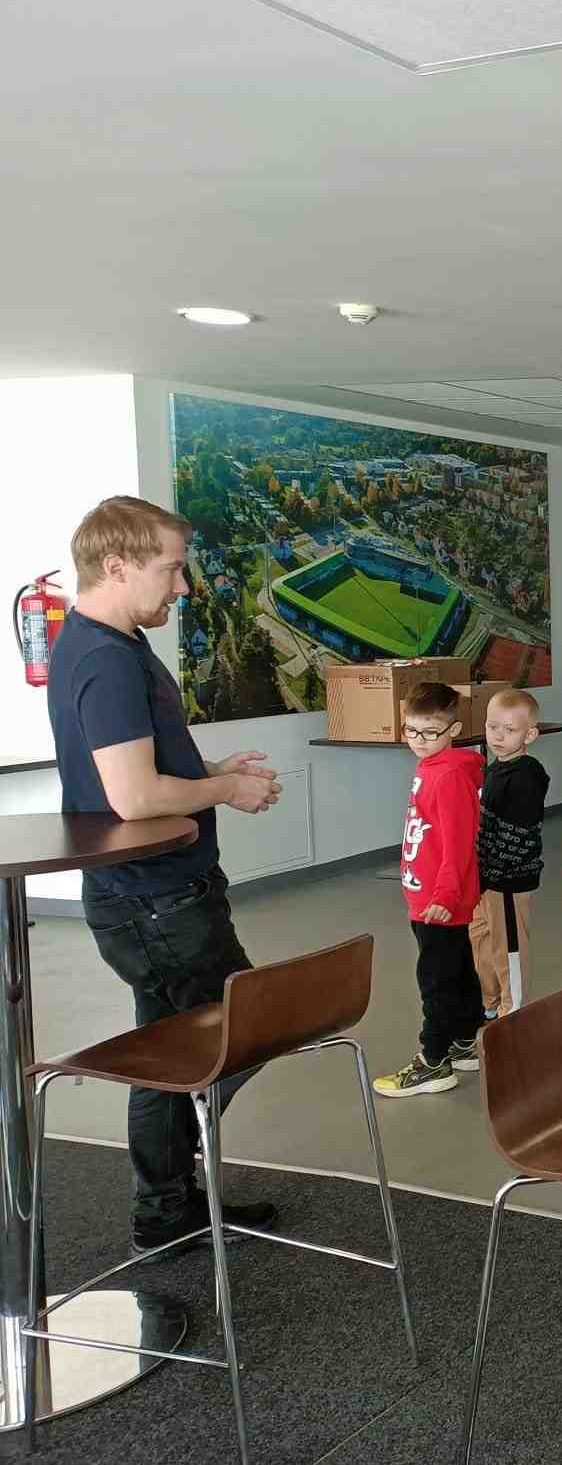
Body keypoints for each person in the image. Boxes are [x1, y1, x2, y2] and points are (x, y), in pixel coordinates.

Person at [47, 496, 282, 1254]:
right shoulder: (107, 659)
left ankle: (166, 1208)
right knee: (243, 1033)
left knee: (170, 1047)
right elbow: (134, 796)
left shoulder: (104, 642)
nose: (182, 587)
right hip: (156, 899)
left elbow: (133, 769)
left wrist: (208, 770)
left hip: (147, 892)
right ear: (117, 566)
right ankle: (168, 1201)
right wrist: (227, 790)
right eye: (171, 569)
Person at [374, 683, 486, 1099]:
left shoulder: (450, 775)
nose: (418, 741)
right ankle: (466, 1039)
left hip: (439, 901)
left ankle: (433, 1061)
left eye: (430, 732)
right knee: (456, 966)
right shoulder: (431, 765)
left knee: (435, 979)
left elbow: (458, 845)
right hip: (426, 895)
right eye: (411, 730)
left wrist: (444, 896)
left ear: (453, 730)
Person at [470, 689, 548, 1019]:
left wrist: (492, 873)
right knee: (479, 938)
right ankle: (490, 1002)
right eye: (492, 727)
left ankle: (512, 1011)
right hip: (483, 879)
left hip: (507, 882)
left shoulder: (527, 776)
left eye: (509, 730)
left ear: (529, 735)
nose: (498, 736)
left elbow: (517, 837)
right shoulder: (494, 769)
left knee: (508, 948)